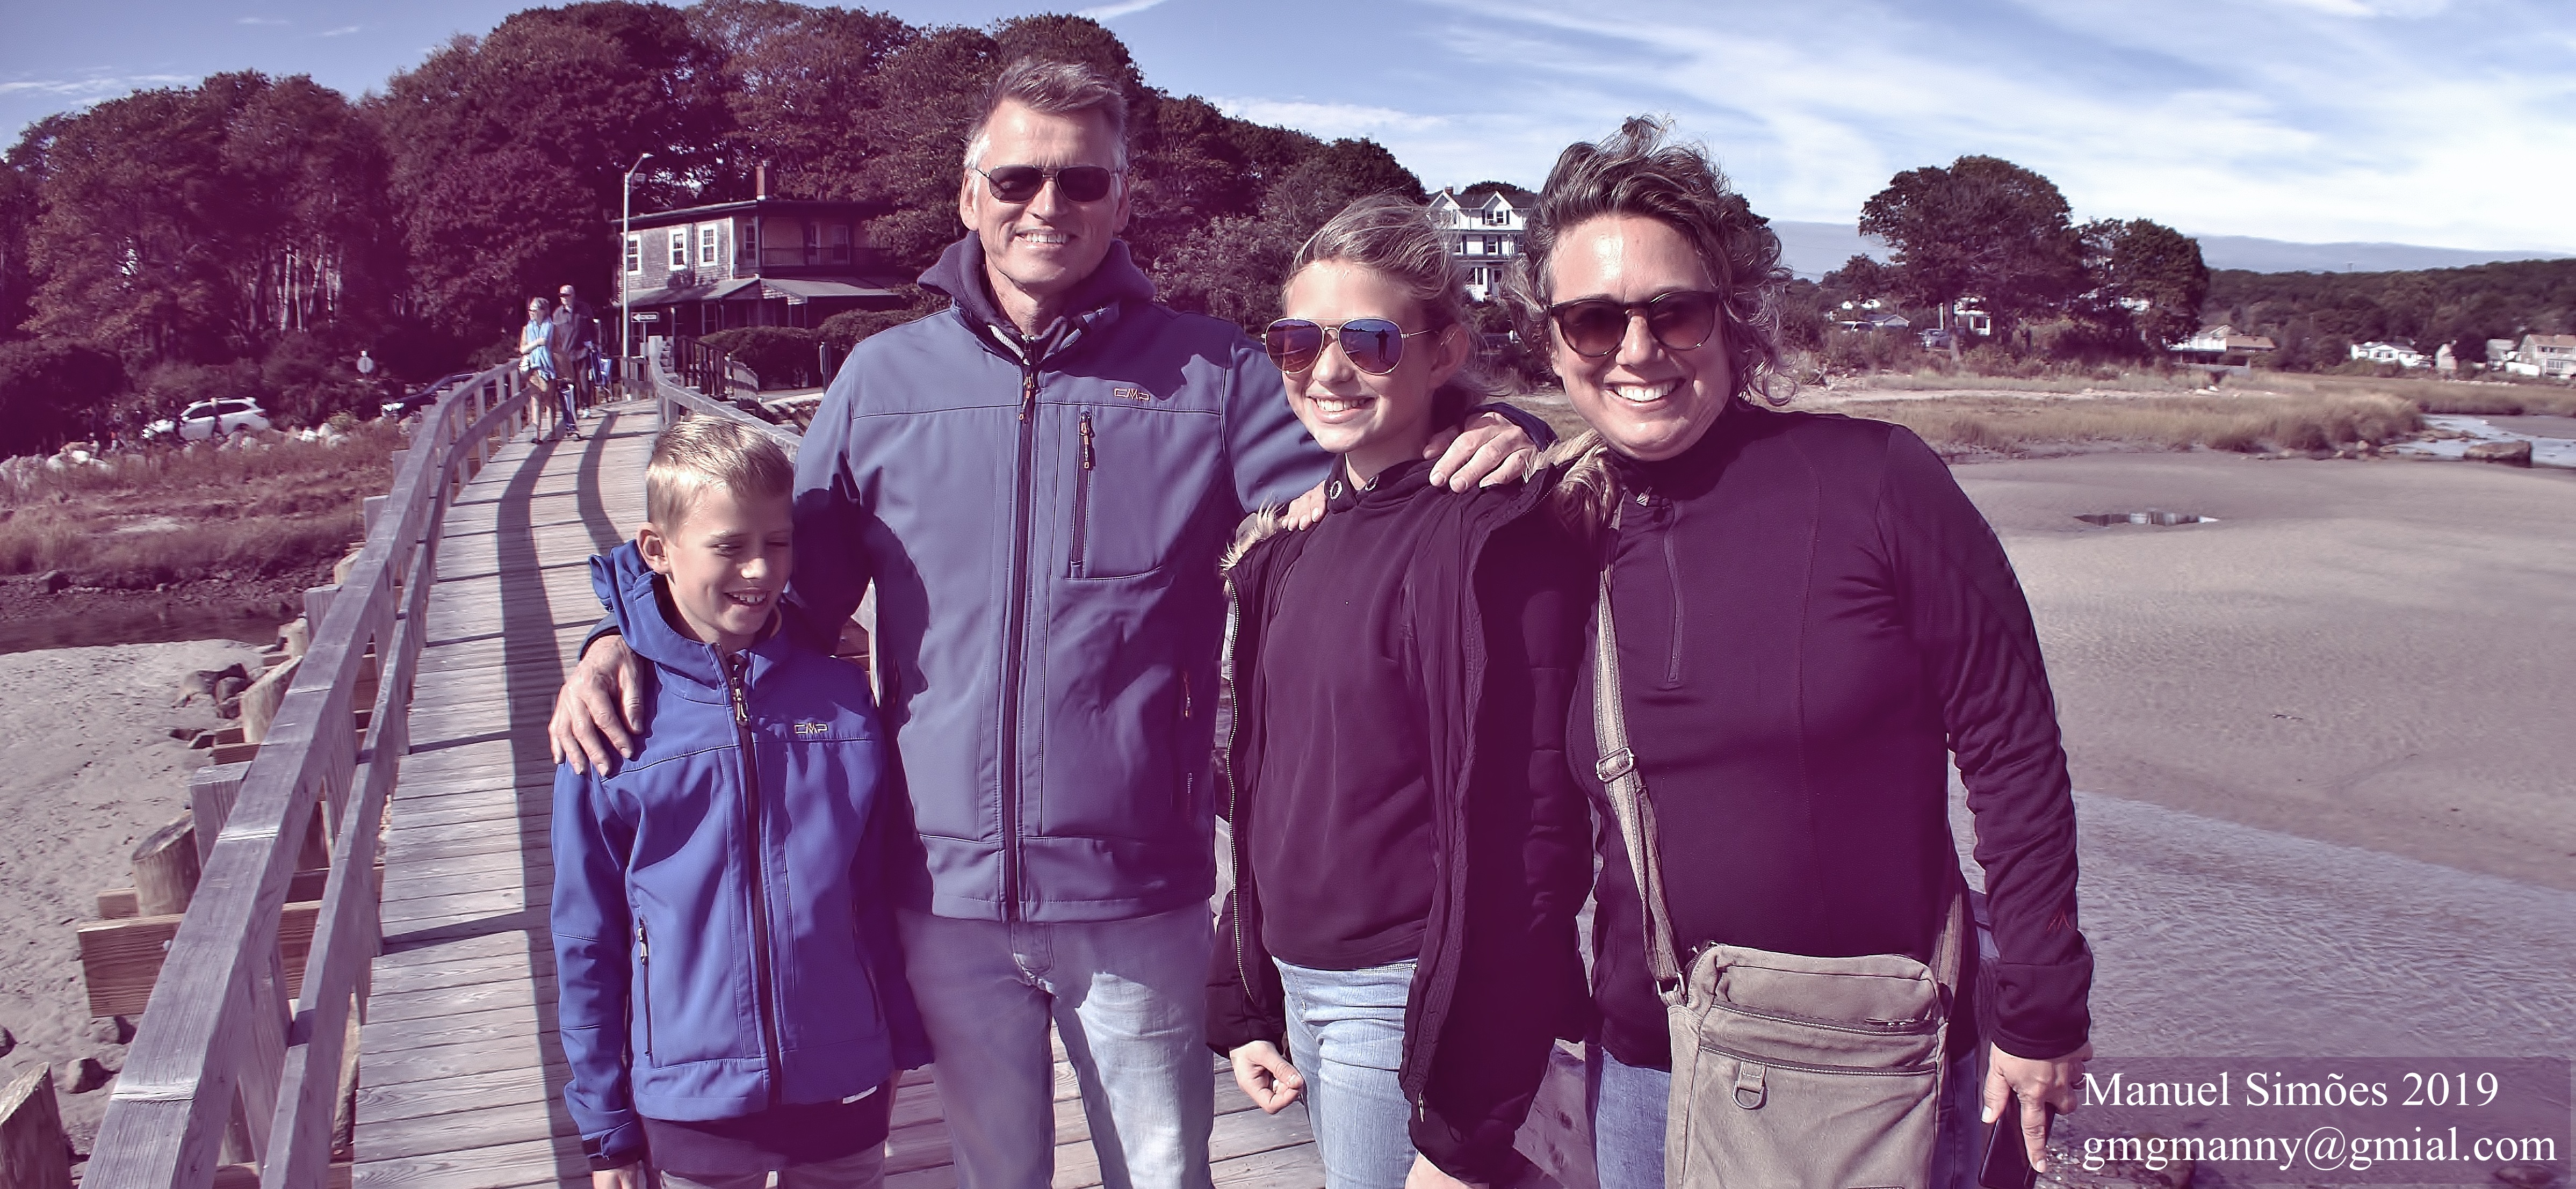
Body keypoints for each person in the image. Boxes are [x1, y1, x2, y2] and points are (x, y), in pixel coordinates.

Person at [549, 58, 1544, 1189]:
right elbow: (767, 585)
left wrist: (1497, 424)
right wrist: (619, 634)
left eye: (1082, 181)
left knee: (1160, 1175)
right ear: (970, 194)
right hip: (939, 892)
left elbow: (1367, 477)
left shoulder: (1212, 374)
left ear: (1122, 200)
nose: (1047, 205)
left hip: (1138, 889)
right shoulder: (882, 380)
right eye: (1018, 178)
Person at [1502, 119, 2094, 1189]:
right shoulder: (1556, 524)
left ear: (1730, 318)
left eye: (1673, 312)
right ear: (1551, 342)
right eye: (1593, 319)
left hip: (1875, 1064)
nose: (1636, 350)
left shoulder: (1878, 482)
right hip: (1644, 1065)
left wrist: (2043, 1009)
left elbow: (2013, 752)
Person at [1206, 196, 1590, 1189]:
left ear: (1443, 350)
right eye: (1297, 342)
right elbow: (1272, 786)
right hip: (1297, 979)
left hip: (1406, 995)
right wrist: (1244, 1003)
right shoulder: (1288, 544)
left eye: (1369, 342)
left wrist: (1474, 1113)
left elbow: (1538, 829)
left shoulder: (1492, 536)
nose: (1327, 371)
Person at [552, 417, 930, 1189]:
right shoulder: (610, 719)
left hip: (843, 1076)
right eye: (728, 546)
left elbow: (873, 891)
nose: (760, 569)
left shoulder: (839, 696)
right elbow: (587, 933)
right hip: (691, 1098)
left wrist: (894, 1042)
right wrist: (605, 1125)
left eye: (778, 542)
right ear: (656, 549)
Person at [520, 296, 562, 441]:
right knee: (536, 401)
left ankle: (552, 433)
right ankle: (536, 435)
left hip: (549, 369)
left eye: (534, 310)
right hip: (534, 369)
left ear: (543, 311)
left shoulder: (553, 328)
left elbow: (558, 349)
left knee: (550, 402)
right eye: (530, 310)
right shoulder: (527, 329)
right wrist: (537, 344)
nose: (530, 313)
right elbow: (523, 349)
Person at [561, 282, 602, 415]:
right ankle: (573, 408)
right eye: (561, 295)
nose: (564, 298)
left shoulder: (584, 308)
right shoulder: (558, 314)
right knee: (570, 381)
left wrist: (594, 343)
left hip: (583, 350)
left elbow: (592, 327)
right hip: (567, 353)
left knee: (584, 379)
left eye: (566, 295)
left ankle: (586, 407)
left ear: (573, 295)